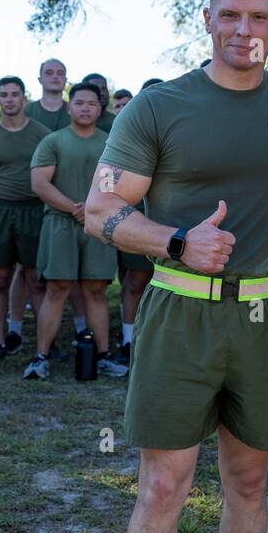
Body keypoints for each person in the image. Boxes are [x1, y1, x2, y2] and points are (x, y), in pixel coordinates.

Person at [86, 0, 268, 533]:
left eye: (258, 17)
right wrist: (175, 241)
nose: (244, 30)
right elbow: (98, 208)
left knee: (249, 482)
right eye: (230, 16)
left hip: (267, 315)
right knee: (162, 486)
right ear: (207, 19)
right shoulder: (159, 107)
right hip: (179, 312)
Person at [24, 83, 126, 379]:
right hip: (60, 224)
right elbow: (40, 184)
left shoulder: (112, 143)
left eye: (91, 104)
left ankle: (104, 357)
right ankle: (40, 357)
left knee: (95, 291)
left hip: (98, 225)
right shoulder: (52, 141)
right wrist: (74, 208)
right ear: (69, 107)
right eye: (78, 102)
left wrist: (93, 210)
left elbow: (117, 184)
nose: (84, 108)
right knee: (57, 289)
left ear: (99, 109)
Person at [0, 76, 51, 362]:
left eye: (15, 94)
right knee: (1, 277)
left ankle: (44, 344)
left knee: (36, 279)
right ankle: (0, 340)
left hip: (33, 210)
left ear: (23, 97)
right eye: (4, 94)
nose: (9, 99)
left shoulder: (41, 134)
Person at [115, 77, 164, 361]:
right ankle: (127, 342)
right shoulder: (133, 134)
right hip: (138, 220)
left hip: (175, 223)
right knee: (134, 281)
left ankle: (160, 343)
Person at [24, 58, 70, 132]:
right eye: (49, 73)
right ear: (40, 79)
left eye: (60, 73)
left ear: (65, 80)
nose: (55, 76)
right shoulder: (26, 111)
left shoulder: (75, 110)